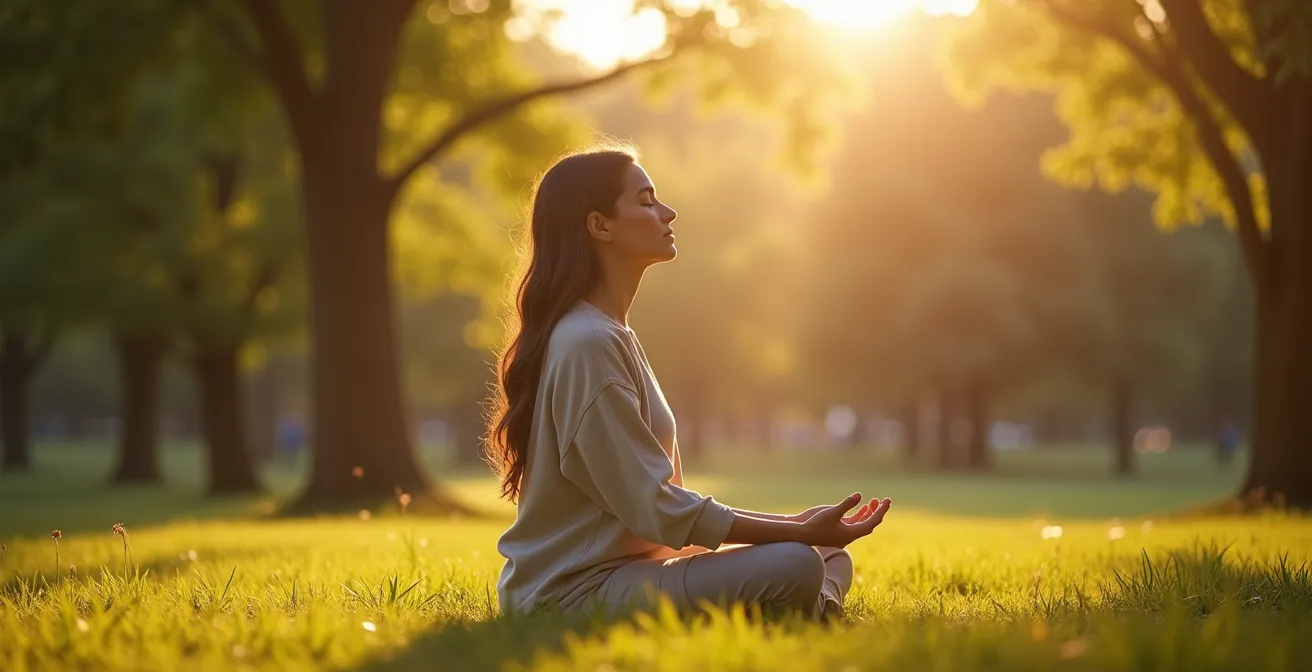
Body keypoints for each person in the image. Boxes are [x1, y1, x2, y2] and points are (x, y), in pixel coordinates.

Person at [484, 144, 893, 622]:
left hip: (635, 570)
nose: (668, 211)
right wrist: (793, 532)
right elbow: (654, 508)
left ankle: (812, 607)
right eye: (646, 200)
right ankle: (818, 610)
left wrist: (795, 526)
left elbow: (659, 513)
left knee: (827, 555)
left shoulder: (609, 333)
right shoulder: (587, 342)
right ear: (600, 226)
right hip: (570, 594)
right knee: (799, 560)